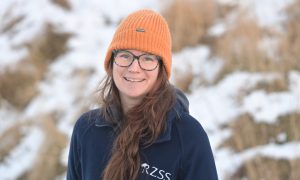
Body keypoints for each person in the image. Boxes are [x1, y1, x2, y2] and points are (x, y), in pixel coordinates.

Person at [67, 9, 218, 180]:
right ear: (111, 62)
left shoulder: (188, 136)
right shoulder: (86, 130)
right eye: (125, 55)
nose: (134, 68)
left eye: (147, 58)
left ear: (162, 68)